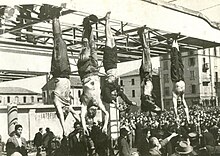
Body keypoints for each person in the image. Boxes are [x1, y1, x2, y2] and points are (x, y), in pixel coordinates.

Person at [77, 14, 109, 135]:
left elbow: (81, 113)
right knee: (93, 46)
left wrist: (84, 126)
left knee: (85, 46)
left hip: (85, 71)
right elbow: (106, 113)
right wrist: (105, 125)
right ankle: (89, 25)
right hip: (94, 70)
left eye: (92, 110)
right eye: (94, 110)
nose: (94, 108)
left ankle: (86, 25)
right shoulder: (98, 102)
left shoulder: (85, 102)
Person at [50, 9, 79, 136]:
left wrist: (64, 129)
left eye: (65, 112)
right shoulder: (67, 104)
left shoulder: (58, 103)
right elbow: (75, 113)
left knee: (58, 41)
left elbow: (61, 115)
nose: (67, 111)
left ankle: (54, 17)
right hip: (65, 72)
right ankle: (55, 17)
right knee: (62, 43)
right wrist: (83, 124)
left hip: (59, 70)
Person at [101, 11, 136, 107]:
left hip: (108, 63)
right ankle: (107, 21)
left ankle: (107, 21)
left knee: (108, 39)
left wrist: (112, 103)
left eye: (114, 95)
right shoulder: (116, 88)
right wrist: (131, 102)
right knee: (112, 39)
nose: (115, 94)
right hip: (114, 63)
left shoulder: (107, 87)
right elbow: (123, 96)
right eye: (115, 95)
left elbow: (107, 96)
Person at [137, 27, 161, 113]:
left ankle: (142, 34)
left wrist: (155, 107)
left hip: (146, 71)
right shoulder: (147, 95)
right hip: (147, 72)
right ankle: (142, 35)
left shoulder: (146, 96)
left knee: (146, 50)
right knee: (146, 51)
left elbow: (144, 83)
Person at [167, 34, 189, 123]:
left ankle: (173, 43)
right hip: (181, 77)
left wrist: (177, 116)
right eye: (180, 101)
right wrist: (187, 117)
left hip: (175, 77)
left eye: (179, 102)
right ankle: (176, 41)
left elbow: (175, 107)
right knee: (179, 59)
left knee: (174, 59)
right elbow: (186, 107)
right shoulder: (182, 96)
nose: (180, 101)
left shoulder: (175, 95)